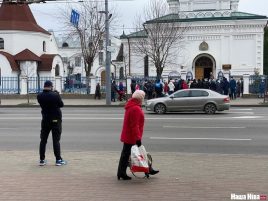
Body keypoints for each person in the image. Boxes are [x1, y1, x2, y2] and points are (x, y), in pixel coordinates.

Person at [117, 90, 159, 180]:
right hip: (133, 136)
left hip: (130, 135)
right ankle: (147, 170)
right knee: (140, 153)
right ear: (140, 98)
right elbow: (134, 125)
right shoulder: (135, 108)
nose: (143, 99)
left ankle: (121, 172)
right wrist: (138, 138)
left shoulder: (132, 106)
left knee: (126, 154)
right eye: (143, 97)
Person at [37, 80, 66, 166]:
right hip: (55, 120)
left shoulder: (39, 96)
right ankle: (58, 160)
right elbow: (61, 105)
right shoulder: (55, 95)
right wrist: (57, 95)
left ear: (44, 86)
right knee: (56, 141)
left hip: (45, 120)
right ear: (51, 86)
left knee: (43, 140)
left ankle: (42, 160)